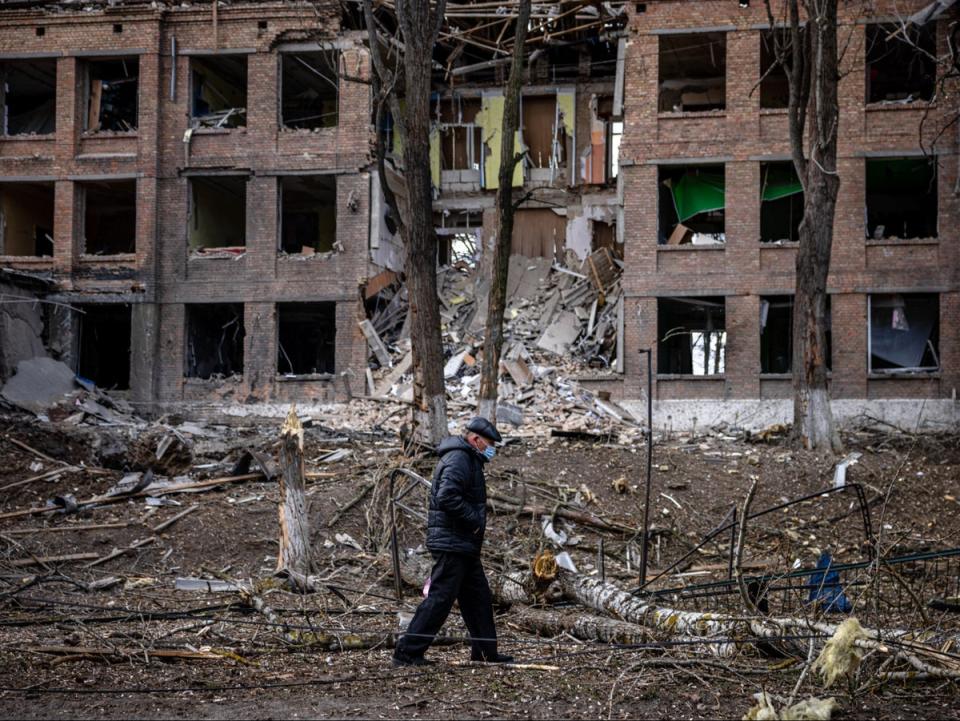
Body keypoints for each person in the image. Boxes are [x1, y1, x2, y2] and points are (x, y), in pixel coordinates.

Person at [392, 417, 513, 667]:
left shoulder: (469, 459)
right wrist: (474, 521)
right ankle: (407, 652)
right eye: (489, 444)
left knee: (478, 598)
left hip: (463, 543)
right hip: (453, 542)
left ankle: (484, 653)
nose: (492, 450)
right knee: (440, 598)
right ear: (475, 439)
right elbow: (446, 496)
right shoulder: (459, 459)